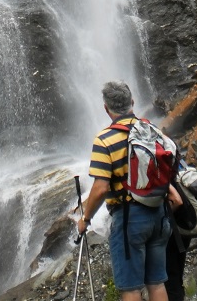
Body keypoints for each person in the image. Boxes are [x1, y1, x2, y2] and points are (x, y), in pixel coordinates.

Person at [76, 81, 171, 301]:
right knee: (157, 283)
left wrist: (86, 218)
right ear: (132, 102)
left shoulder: (104, 140)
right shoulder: (152, 129)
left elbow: (100, 188)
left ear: (106, 108)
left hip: (129, 218)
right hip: (159, 212)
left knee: (131, 289)